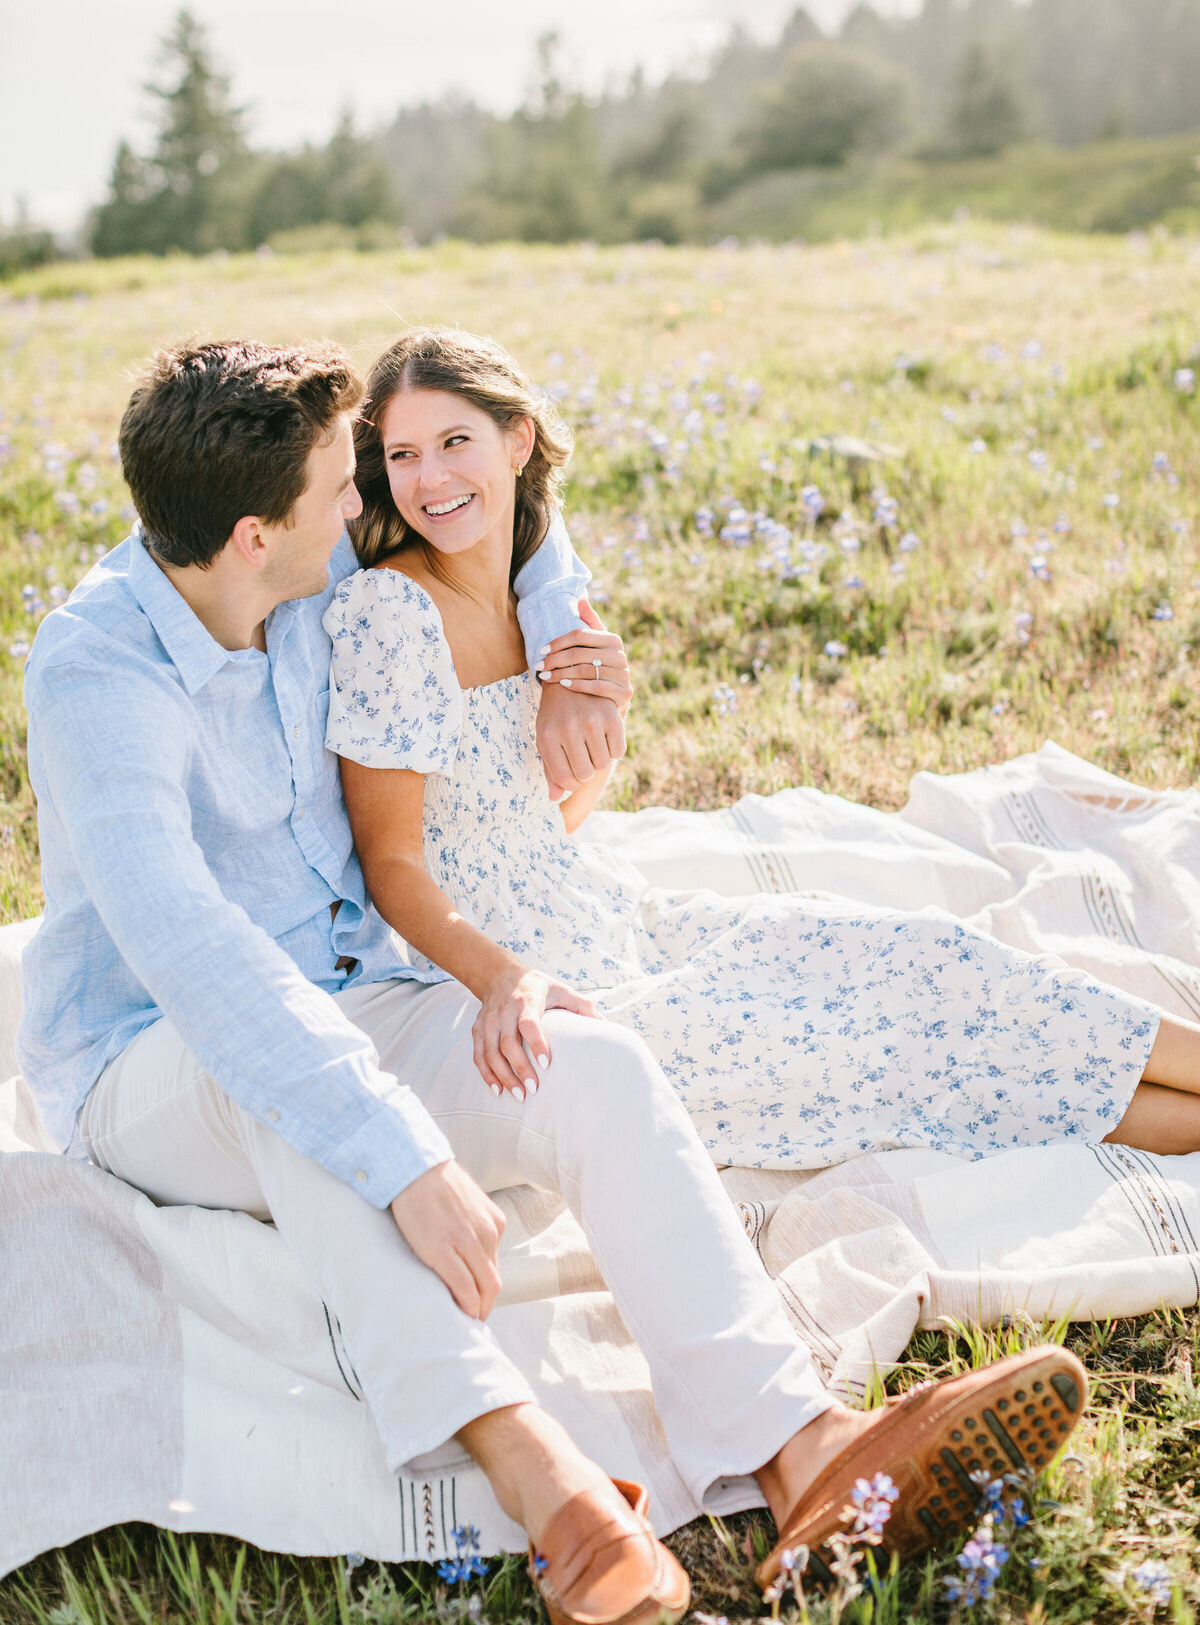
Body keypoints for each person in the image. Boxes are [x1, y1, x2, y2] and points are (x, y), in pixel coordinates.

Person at [20, 338, 1084, 1625]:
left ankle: (804, 1454)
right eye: (338, 490)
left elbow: (510, 512)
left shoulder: (303, 571)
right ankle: (560, 1498)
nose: (365, 502)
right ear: (256, 536)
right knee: (297, 1102)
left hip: (363, 994)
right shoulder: (97, 671)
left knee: (594, 1064)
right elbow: (189, 944)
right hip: (151, 1063)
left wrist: (578, 652)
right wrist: (400, 1157)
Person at [326, 325, 1200, 1180]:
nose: (430, 478)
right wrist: (505, 980)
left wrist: (602, 724)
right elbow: (394, 862)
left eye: (453, 441)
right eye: (402, 455)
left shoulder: (544, 604)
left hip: (616, 917)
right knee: (885, 1057)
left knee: (924, 955)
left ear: (516, 440)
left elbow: (541, 825)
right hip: (541, 978)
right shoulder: (391, 615)